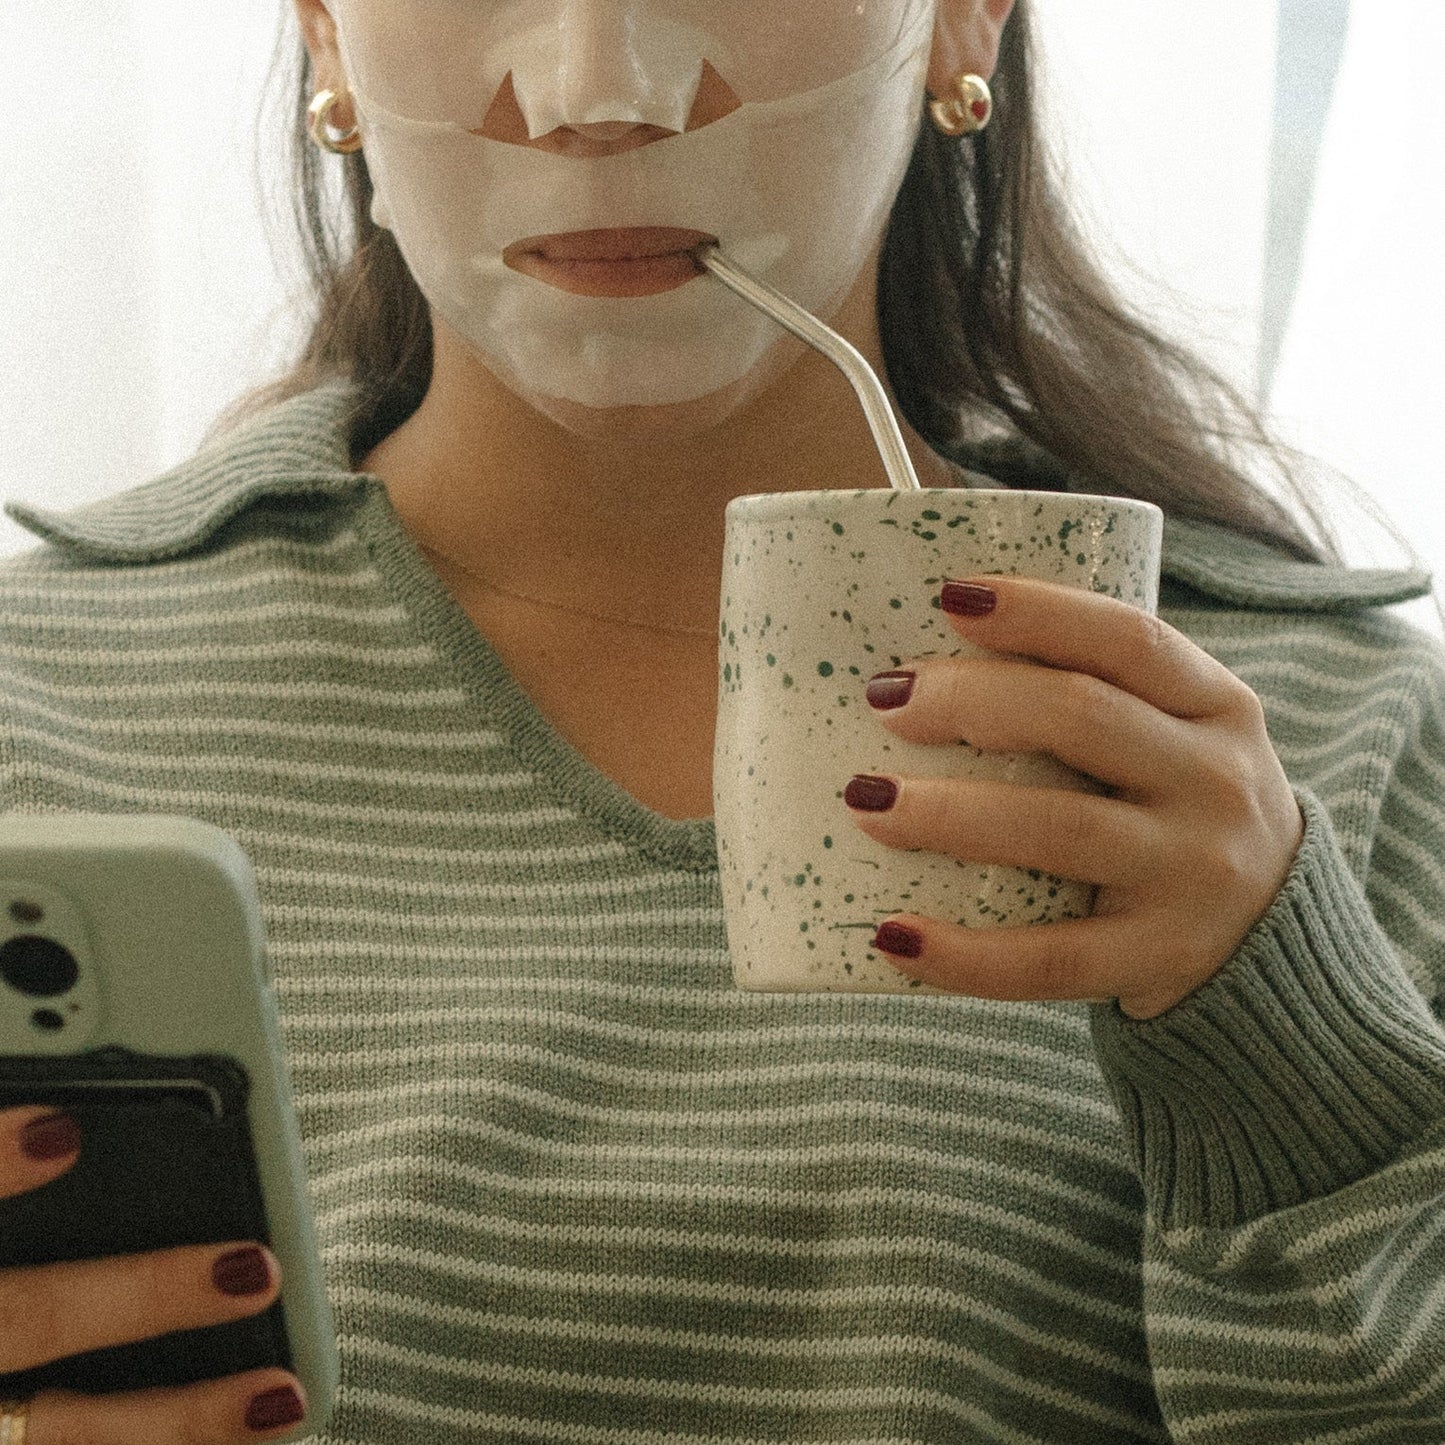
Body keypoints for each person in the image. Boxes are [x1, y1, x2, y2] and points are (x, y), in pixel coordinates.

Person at [1, 0, 1443, 1440]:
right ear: (326, 39)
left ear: (960, 24)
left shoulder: (1328, 740)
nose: (597, 96)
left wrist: (1280, 1039)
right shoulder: (36, 703)